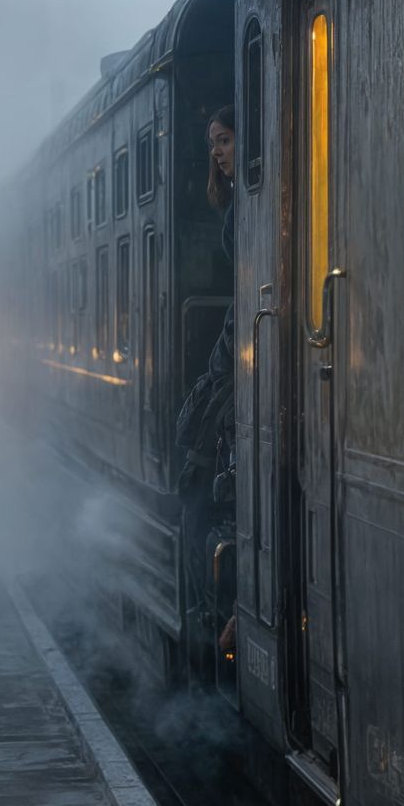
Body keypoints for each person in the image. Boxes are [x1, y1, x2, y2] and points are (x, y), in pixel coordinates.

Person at [175, 108, 237, 657]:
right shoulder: (240, 202)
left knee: (198, 489)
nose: (216, 152)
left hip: (240, 352)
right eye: (212, 143)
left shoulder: (250, 203)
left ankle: (219, 615)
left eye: (224, 140)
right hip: (235, 348)